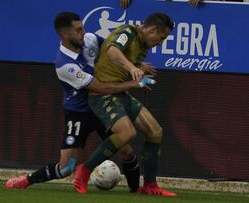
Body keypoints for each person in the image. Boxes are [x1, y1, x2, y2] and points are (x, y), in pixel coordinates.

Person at [4, 11, 155, 192]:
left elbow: (112, 55)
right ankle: (27, 180)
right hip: (79, 114)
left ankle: (135, 190)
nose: (84, 32)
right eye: (78, 30)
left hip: (101, 108)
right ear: (64, 34)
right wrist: (135, 83)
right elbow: (101, 88)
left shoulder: (90, 39)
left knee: (127, 151)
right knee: (66, 167)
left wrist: (136, 66)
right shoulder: (65, 65)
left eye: (82, 27)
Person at [73, 12, 177, 196]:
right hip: (101, 94)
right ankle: (84, 170)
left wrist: (138, 68)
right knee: (127, 132)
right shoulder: (127, 32)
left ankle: (150, 186)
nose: (160, 42)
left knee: (155, 131)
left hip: (120, 93)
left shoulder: (143, 44)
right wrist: (132, 68)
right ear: (152, 29)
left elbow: (126, 62)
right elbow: (112, 51)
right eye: (161, 37)